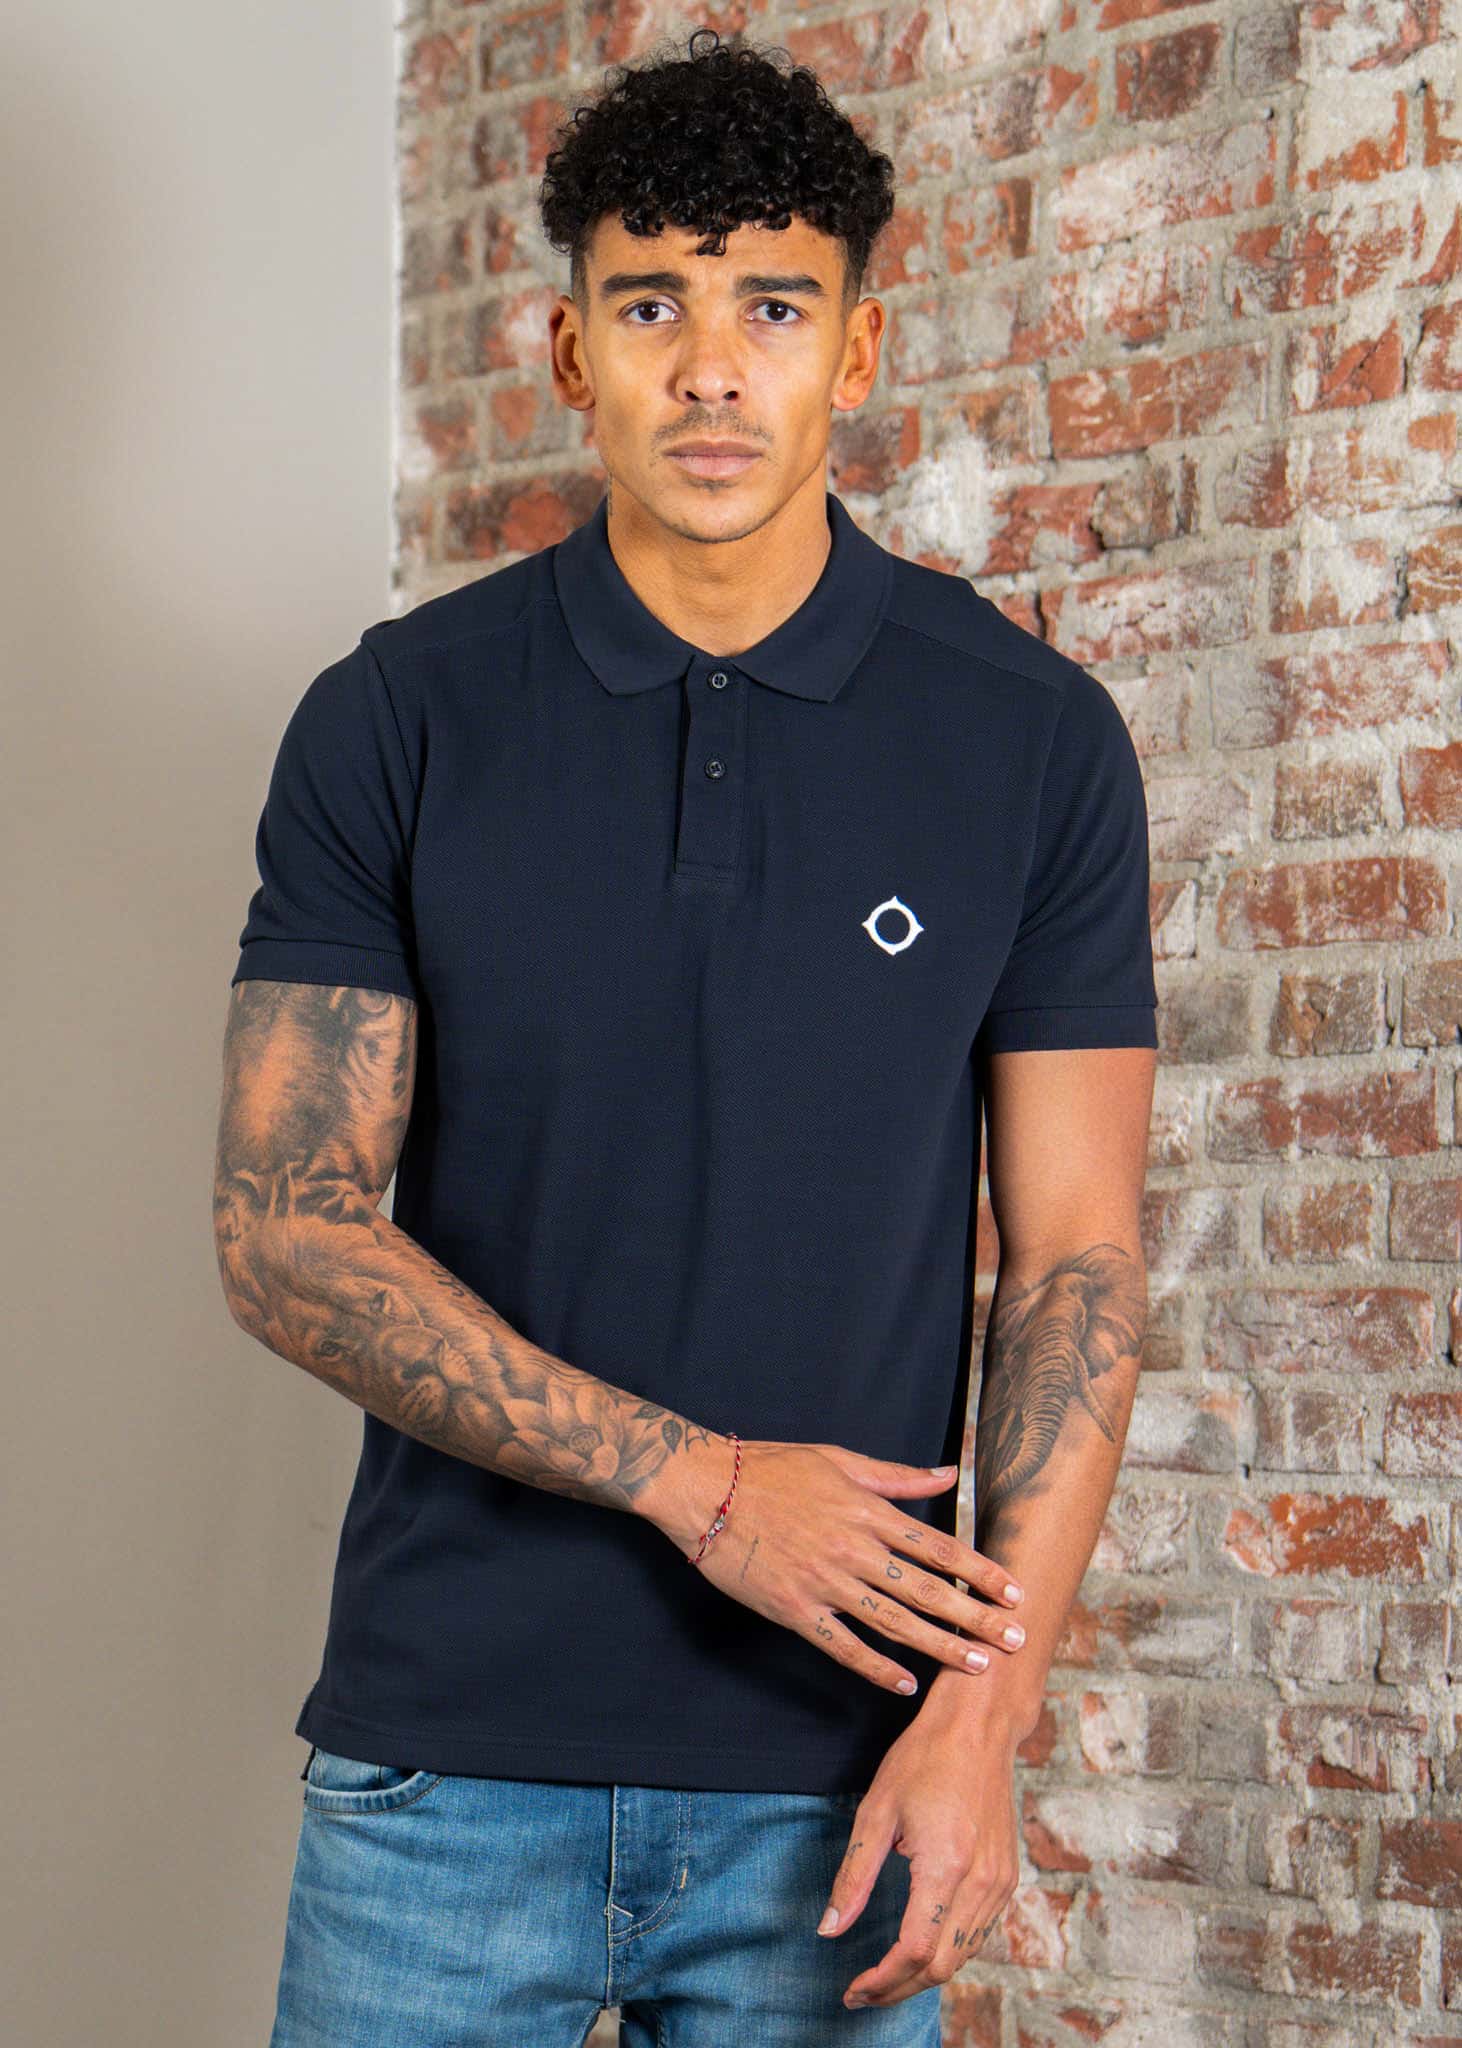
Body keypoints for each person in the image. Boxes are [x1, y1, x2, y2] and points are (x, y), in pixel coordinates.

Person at [213, 25, 1158, 2047]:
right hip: (444, 1764)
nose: (712, 368)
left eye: (773, 309)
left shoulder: (1028, 741)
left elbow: (1073, 1262)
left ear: (859, 348)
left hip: (839, 1782)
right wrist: (704, 1486)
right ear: (570, 351)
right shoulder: (395, 718)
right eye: (651, 305)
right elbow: (287, 1228)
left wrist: (982, 1714)